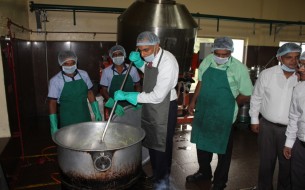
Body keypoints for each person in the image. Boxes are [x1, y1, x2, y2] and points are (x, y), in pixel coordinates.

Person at [186, 36, 253, 190]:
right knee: (202, 145)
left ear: (231, 52)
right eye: (218, 54)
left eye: (225, 55)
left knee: (223, 149)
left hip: (224, 113)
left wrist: (231, 104)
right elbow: (201, 82)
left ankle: (220, 181)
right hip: (204, 110)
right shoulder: (207, 61)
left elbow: (247, 93)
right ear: (213, 50)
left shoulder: (239, 68)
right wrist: (193, 101)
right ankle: (204, 172)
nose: (221, 57)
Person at [114, 31, 179, 189]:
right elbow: (150, 73)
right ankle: (157, 176)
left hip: (164, 107)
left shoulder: (167, 62)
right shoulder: (152, 58)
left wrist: (131, 96)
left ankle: (163, 183)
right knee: (153, 144)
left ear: (156, 46)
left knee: (161, 146)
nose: (142, 54)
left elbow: (158, 96)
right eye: (140, 50)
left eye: (146, 50)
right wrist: (139, 64)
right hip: (152, 105)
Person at [249, 43, 302, 189]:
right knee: (266, 162)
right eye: (288, 57)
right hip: (267, 126)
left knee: (287, 165)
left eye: (296, 57)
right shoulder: (267, 74)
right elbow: (256, 97)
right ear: (279, 58)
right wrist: (254, 119)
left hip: (291, 130)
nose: (293, 61)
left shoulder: (301, 78)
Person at [48, 50, 102, 135]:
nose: (70, 66)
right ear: (61, 64)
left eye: (72, 63)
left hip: (84, 116)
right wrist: (54, 125)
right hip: (67, 119)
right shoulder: (55, 81)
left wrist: (97, 112)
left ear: (76, 62)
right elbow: (52, 103)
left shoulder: (84, 74)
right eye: (66, 64)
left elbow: (90, 93)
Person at [100, 45, 141, 117]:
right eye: (115, 55)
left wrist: (137, 100)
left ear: (124, 55)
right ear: (111, 57)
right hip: (115, 105)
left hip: (131, 104)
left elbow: (138, 85)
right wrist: (112, 103)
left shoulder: (132, 69)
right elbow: (103, 90)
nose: (117, 56)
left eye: (120, 54)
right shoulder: (106, 71)